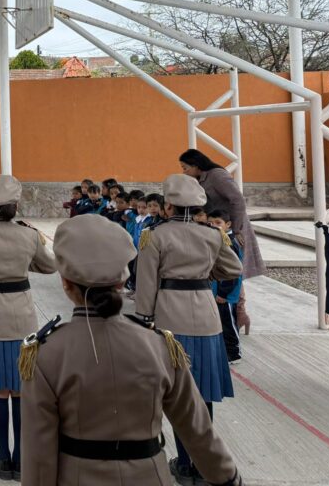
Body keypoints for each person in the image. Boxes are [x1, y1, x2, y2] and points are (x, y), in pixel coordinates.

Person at [20, 213, 244, 486]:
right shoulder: (161, 346)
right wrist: (228, 478)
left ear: (65, 283)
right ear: (120, 282)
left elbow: (38, 454)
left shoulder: (46, 355)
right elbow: (197, 430)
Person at [135, 174, 243, 485]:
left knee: (179, 395)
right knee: (204, 394)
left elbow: (146, 283)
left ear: (168, 205)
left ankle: (184, 464)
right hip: (206, 316)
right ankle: (204, 464)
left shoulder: (154, 236)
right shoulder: (211, 235)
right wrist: (206, 272)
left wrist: (144, 318)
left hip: (171, 316)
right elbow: (233, 268)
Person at [0, 174, 57, 481]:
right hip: (23, 319)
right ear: (16, 205)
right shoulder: (28, 235)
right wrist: (32, 249)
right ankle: (20, 458)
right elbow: (49, 266)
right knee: (21, 390)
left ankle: (3, 457)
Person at [180, 149, 264, 335]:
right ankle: (240, 313)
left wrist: (237, 229)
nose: (184, 172)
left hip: (231, 228)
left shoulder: (216, 175)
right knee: (226, 269)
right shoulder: (201, 179)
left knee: (233, 269)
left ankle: (238, 313)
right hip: (218, 229)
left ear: (196, 165)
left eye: (185, 168)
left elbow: (238, 200)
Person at [208, 210, 243, 363]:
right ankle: (225, 351)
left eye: (218, 223)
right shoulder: (219, 239)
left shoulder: (229, 242)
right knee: (222, 322)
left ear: (227, 224)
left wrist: (223, 293)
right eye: (210, 223)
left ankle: (234, 353)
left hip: (226, 294)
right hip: (218, 290)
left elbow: (233, 272)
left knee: (229, 323)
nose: (214, 226)